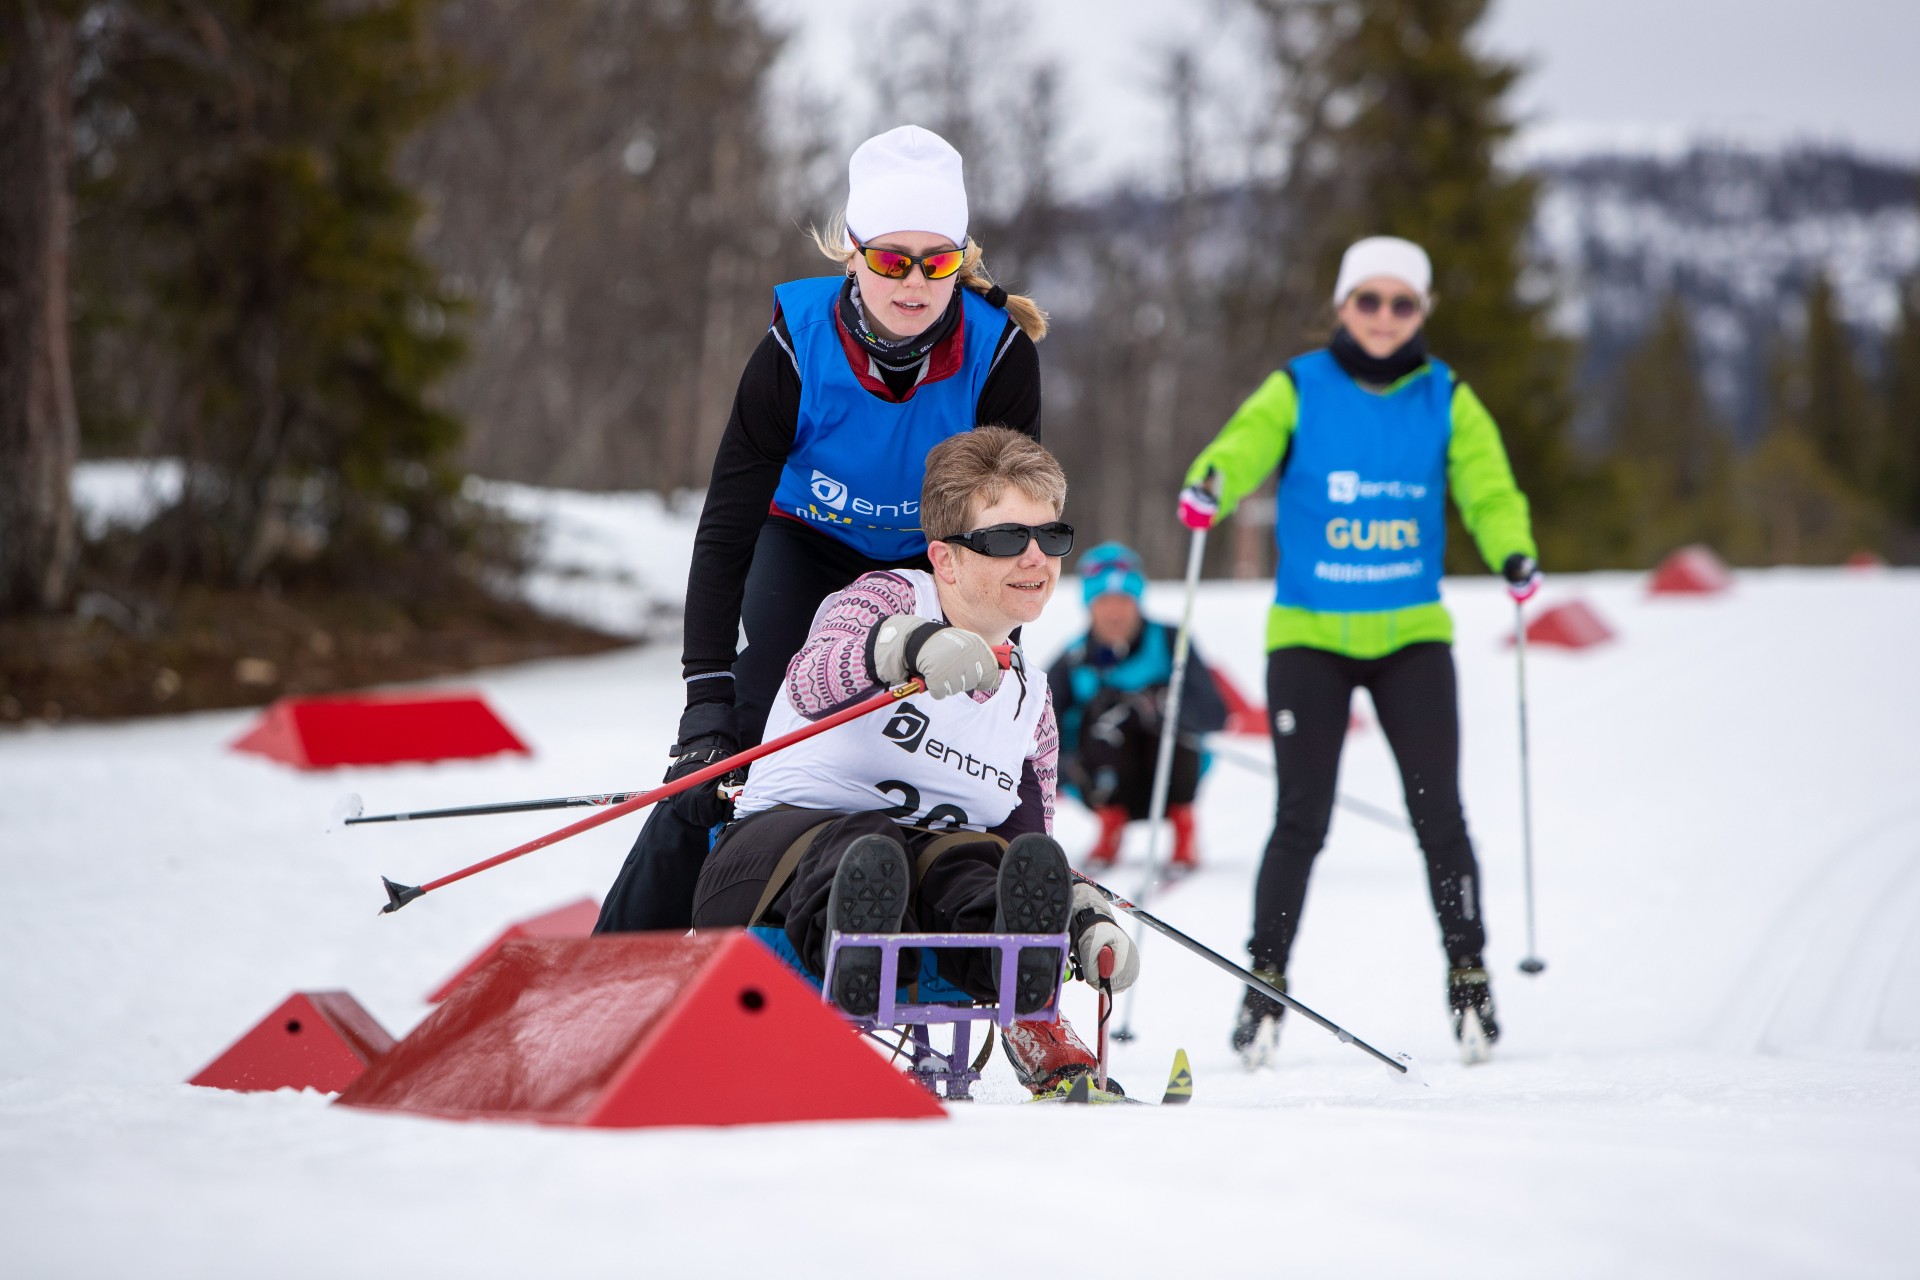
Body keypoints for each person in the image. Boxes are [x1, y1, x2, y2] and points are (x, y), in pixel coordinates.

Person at [594, 125, 1047, 935]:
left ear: (960, 259)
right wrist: (705, 704)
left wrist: (1000, 648)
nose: (913, 281)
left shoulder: (999, 351)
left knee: (966, 737)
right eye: (890, 258)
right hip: (802, 544)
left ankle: (982, 942)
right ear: (853, 253)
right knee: (740, 740)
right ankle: (618, 967)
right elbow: (726, 530)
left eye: (936, 261)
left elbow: (1008, 526)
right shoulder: (795, 347)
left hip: (932, 555)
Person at [1177, 235, 1542, 1069]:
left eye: (1401, 303)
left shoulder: (1444, 395)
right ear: (1342, 306)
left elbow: (1488, 488)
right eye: (1368, 300)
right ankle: (1263, 981)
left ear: (1422, 313)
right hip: (1310, 637)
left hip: (1411, 636)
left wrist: (1512, 549)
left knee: (1438, 816)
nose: (1383, 317)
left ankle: (1470, 974)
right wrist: (1211, 483)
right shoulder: (1299, 386)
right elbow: (1243, 447)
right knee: (1299, 819)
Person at [691, 429, 1139, 1096]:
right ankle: (862, 967)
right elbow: (814, 680)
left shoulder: (1032, 703)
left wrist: (1081, 908)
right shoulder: (886, 601)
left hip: (924, 879)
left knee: (975, 862)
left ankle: (1021, 973)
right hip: (771, 863)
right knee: (869, 845)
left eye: (1052, 537)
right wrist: (905, 647)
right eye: (1006, 539)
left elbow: (1025, 841)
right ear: (946, 560)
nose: (1036, 558)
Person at [1046, 541, 1228, 870]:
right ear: (1090, 605)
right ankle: (1109, 825)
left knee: (1161, 714)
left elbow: (1215, 715)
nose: (1115, 611)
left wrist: (1164, 701)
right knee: (1105, 713)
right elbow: (1040, 727)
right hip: (1105, 778)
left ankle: (1183, 827)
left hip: (1169, 775)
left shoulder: (1171, 641)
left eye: (1124, 600)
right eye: (1105, 601)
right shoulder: (1074, 658)